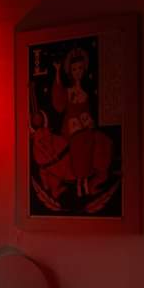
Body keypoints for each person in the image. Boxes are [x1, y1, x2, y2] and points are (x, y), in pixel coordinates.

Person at [51, 47, 112, 198]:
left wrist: (88, 121)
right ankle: (79, 183)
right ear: (70, 72)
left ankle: (86, 182)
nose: (77, 72)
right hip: (72, 129)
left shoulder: (85, 93)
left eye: (79, 68)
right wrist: (57, 72)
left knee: (91, 143)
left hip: (85, 127)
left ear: (83, 70)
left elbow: (87, 112)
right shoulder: (68, 91)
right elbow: (59, 104)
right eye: (74, 69)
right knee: (78, 147)